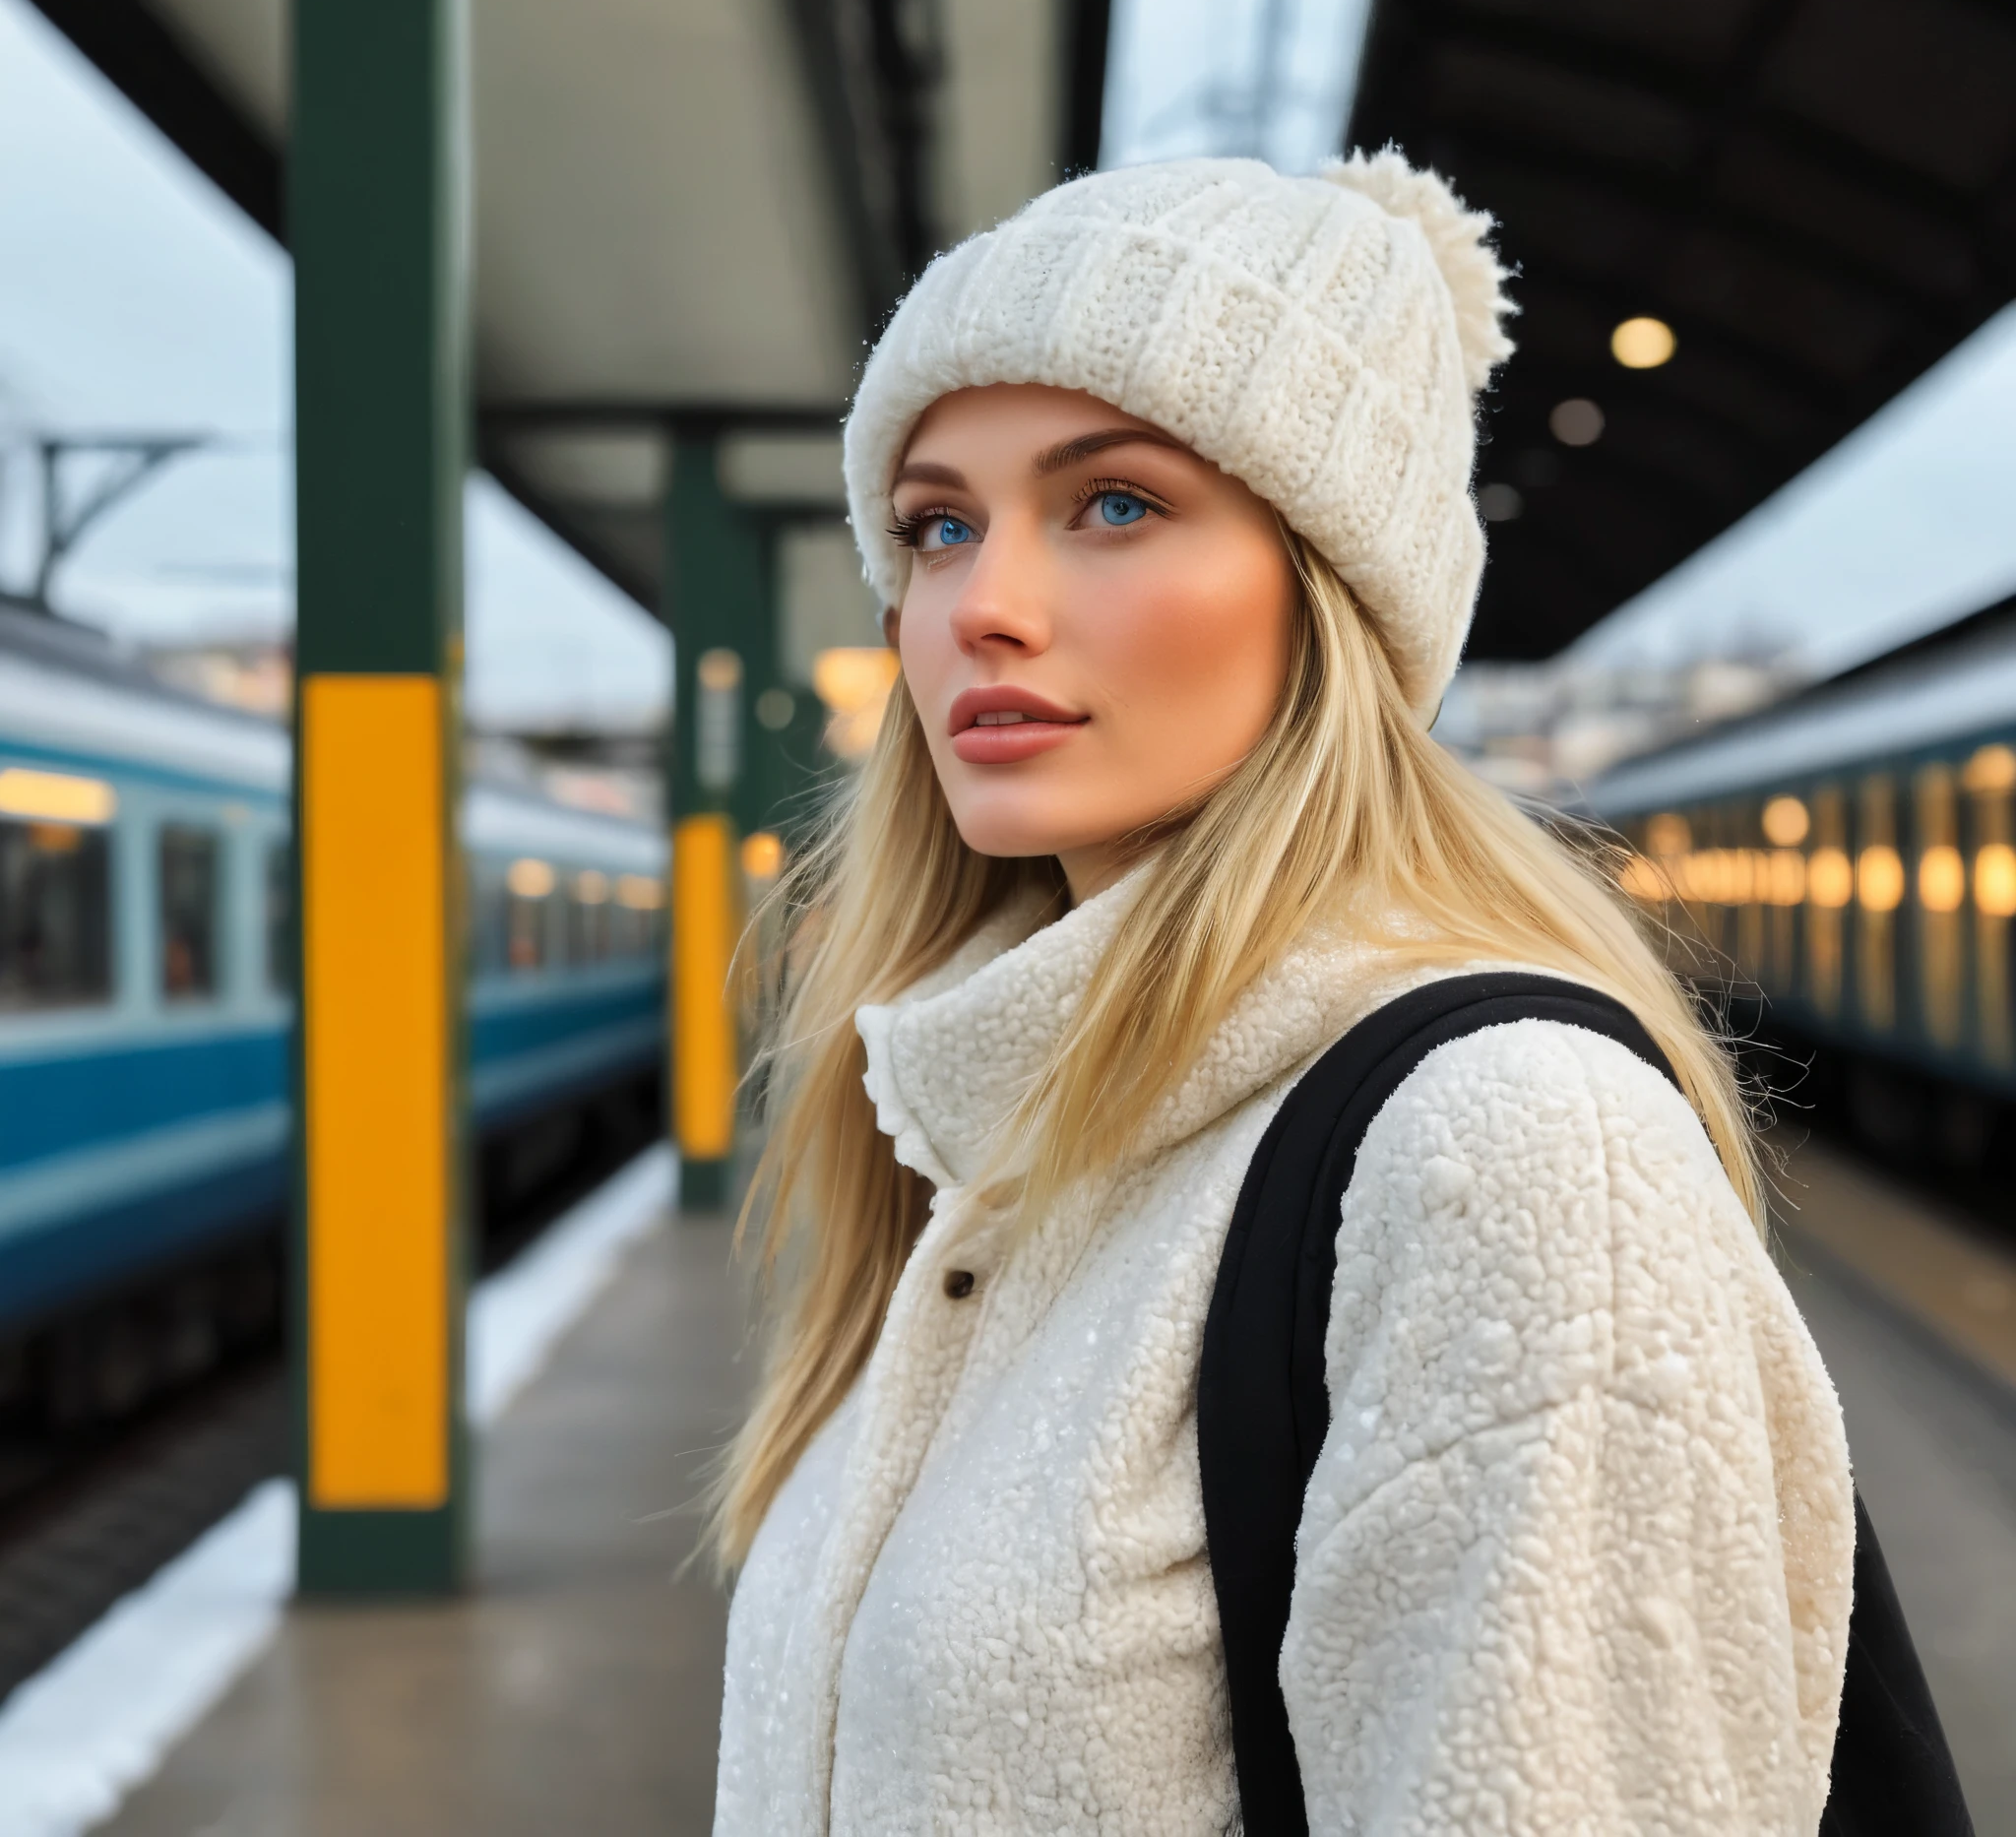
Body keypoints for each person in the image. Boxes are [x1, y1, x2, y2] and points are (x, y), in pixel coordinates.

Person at [710, 153, 1855, 1835]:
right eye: (938, 525)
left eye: (1115, 504)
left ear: (1332, 592)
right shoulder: (978, 1133)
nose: (983, 609)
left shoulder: (1509, 1149)